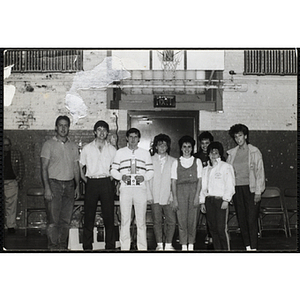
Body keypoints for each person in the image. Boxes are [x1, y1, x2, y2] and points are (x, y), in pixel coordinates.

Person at [41, 115, 80, 250]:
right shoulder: (48, 144)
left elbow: (76, 168)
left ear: (68, 128)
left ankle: (62, 247)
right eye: (60, 125)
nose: (63, 128)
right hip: (54, 185)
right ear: (56, 127)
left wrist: (77, 187)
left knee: (65, 221)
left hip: (70, 186)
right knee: (53, 221)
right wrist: (47, 188)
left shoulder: (73, 146)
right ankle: (53, 247)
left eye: (66, 125)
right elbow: (44, 167)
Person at [111, 128, 154, 251]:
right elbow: (113, 170)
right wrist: (121, 177)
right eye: (131, 137)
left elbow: (151, 171)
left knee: (141, 221)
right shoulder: (120, 152)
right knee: (125, 220)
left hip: (140, 189)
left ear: (139, 139)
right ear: (126, 138)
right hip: (125, 189)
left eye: (136, 137)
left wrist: (143, 177)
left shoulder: (145, 153)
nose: (133, 139)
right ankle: (125, 248)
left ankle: (142, 248)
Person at [227, 124, 265, 251]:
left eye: (240, 135)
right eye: (236, 136)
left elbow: (260, 173)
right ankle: (247, 247)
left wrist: (258, 192)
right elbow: (228, 174)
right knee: (241, 219)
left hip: (251, 189)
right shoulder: (232, 153)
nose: (238, 139)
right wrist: (229, 192)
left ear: (246, 136)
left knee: (251, 220)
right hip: (237, 190)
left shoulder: (254, 151)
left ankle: (254, 247)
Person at [79, 120, 117, 250]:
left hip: (106, 182)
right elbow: (80, 165)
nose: (102, 132)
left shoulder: (112, 149)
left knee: (109, 217)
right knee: (89, 216)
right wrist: (85, 179)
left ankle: (110, 247)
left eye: (104, 130)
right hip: (92, 183)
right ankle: (87, 247)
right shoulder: (87, 148)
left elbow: (116, 166)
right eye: (99, 130)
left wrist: (111, 178)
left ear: (107, 133)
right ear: (95, 132)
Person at [200, 142, 235, 251]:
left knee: (221, 229)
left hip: (221, 201)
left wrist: (226, 199)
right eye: (211, 153)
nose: (213, 155)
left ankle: (226, 251)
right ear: (208, 154)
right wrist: (202, 202)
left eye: (216, 153)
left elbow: (230, 184)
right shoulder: (205, 169)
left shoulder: (226, 167)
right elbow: (203, 187)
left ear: (220, 154)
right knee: (213, 229)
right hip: (209, 201)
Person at [171, 135, 202, 251]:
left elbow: (200, 180)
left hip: (193, 191)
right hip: (180, 192)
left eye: (189, 146)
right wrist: (175, 198)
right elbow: (173, 182)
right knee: (182, 219)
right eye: (184, 146)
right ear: (181, 148)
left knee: (193, 219)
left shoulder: (197, 161)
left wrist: (197, 196)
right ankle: (184, 245)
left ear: (192, 148)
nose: (187, 149)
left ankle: (191, 244)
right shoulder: (176, 162)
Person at [147, 134, 176, 251]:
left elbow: (174, 181)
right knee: (157, 221)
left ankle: (168, 244)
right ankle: (159, 244)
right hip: (154, 196)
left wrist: (173, 196)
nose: (162, 147)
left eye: (164, 144)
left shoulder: (174, 161)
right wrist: (149, 195)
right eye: (160, 144)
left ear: (168, 146)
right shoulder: (150, 160)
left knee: (172, 221)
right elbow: (147, 179)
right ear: (156, 146)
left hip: (168, 196)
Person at [194, 131, 214, 245]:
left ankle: (210, 234)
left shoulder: (216, 155)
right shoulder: (196, 157)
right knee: (195, 214)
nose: (205, 145)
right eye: (202, 143)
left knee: (210, 215)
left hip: (212, 189)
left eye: (207, 143)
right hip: (198, 188)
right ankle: (191, 235)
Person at [3, 137, 25, 234]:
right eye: (4, 145)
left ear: (10, 145)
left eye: (7, 145)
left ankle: (10, 225)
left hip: (11, 182)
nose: (5, 147)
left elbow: (21, 168)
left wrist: (18, 180)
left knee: (11, 206)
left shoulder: (16, 154)